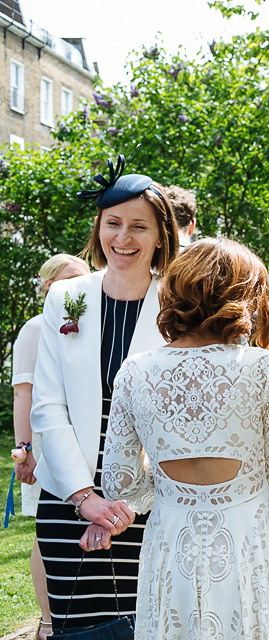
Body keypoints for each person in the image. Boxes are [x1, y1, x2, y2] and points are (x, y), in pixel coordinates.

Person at [100, 238, 269, 639]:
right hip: (250, 540)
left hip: (173, 540)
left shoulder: (135, 371)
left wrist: (163, 467)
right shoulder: (260, 368)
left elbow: (119, 483)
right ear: (242, 296)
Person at [30, 155, 178, 632]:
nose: (124, 238)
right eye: (113, 223)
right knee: (77, 626)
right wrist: (83, 497)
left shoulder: (179, 307)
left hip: (148, 504)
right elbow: (48, 406)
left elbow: (183, 416)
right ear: (98, 229)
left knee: (146, 623)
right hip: (67, 499)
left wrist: (126, 504)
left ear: (160, 237)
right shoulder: (66, 299)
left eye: (139, 227)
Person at [11, 254, 90, 640]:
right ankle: (48, 621)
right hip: (46, 441)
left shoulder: (89, 324)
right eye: (68, 281)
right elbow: (23, 394)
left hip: (86, 439)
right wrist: (24, 449)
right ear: (48, 287)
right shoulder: (34, 328)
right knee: (47, 534)